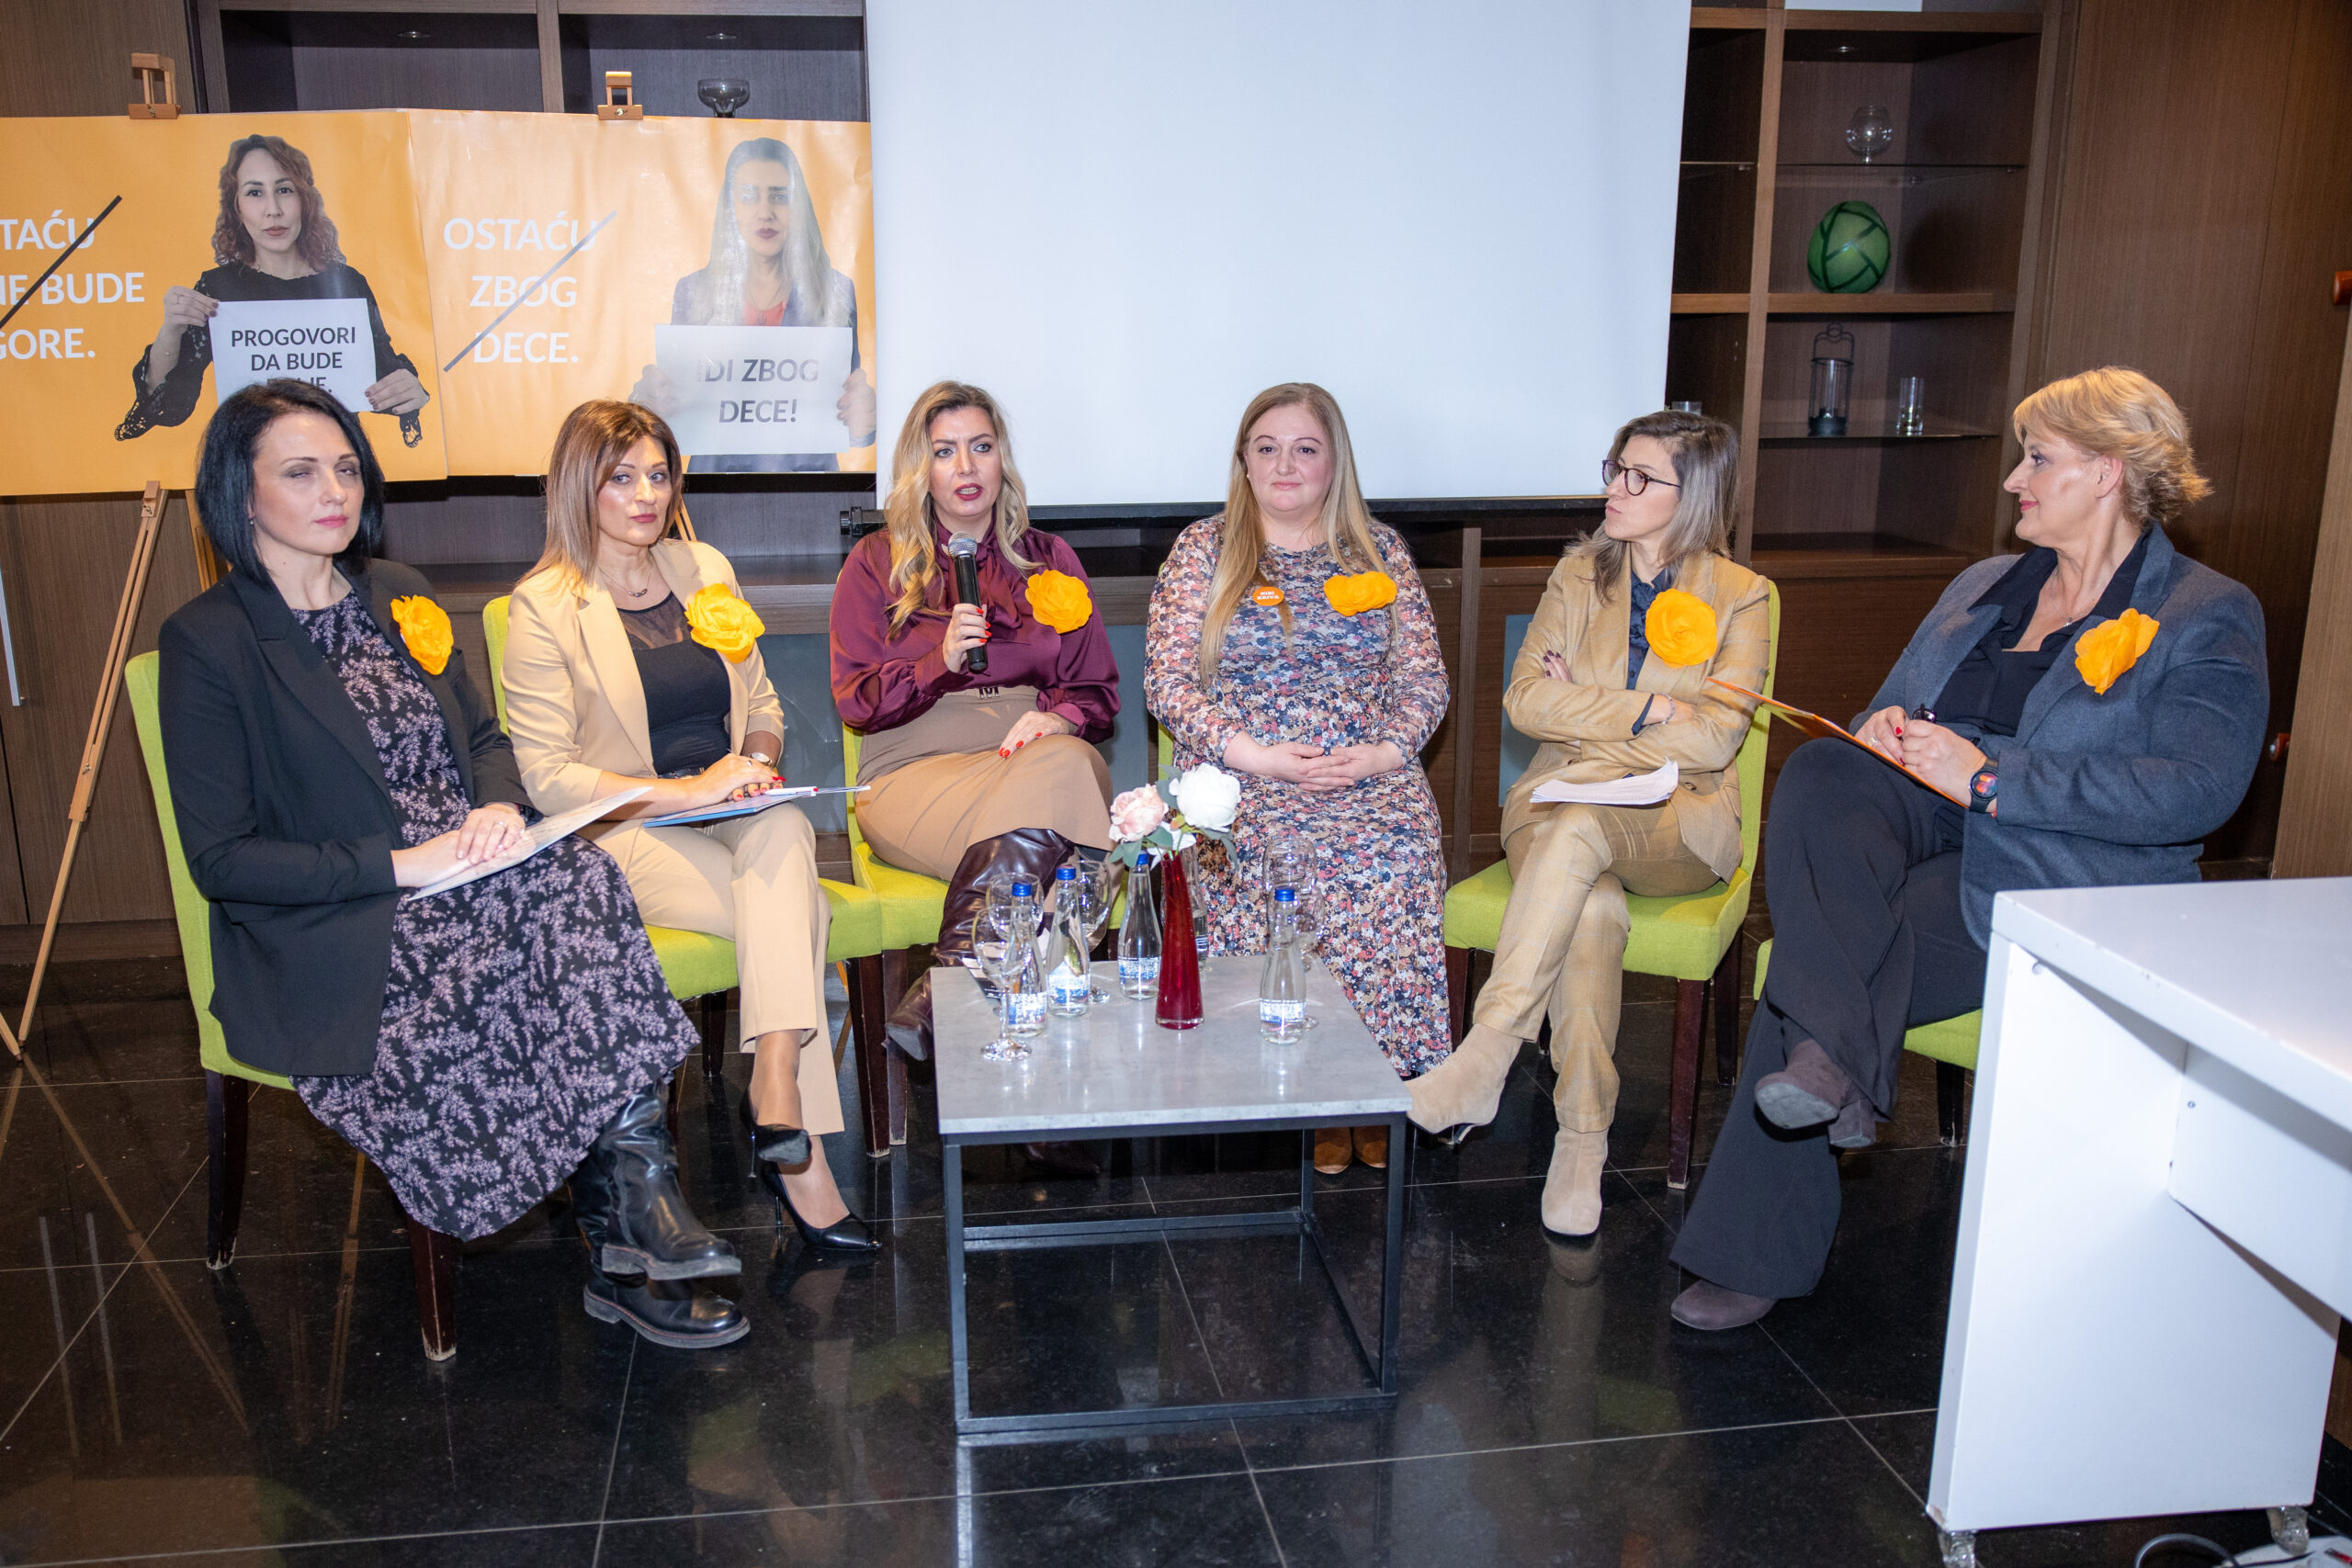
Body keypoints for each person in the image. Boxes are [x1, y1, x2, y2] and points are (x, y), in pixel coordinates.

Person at [1668, 367, 2268, 1330]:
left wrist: (1991, 778)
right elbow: (1891, 705)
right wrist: (1881, 731)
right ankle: (1836, 1067)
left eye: (2037, 459)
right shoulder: (1984, 584)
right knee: (1824, 769)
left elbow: (2196, 789)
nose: (2013, 480)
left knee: (1841, 956)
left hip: (2055, 872)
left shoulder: (2205, 610)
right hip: (1921, 816)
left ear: (2107, 472)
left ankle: (1782, 1176)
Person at [157, 379, 741, 1349]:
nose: (334, 491)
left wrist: (497, 810)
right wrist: (404, 864)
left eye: (346, 468)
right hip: (349, 918)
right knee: (550, 934)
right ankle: (629, 1233)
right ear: (239, 493)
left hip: (474, 868)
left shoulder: (397, 591)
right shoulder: (208, 641)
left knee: (580, 878)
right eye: (300, 473)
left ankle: (637, 1208)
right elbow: (225, 859)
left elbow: (483, 738)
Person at [502, 400, 876, 1254]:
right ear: (579, 485)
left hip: (729, 806)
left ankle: (773, 1084)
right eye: (621, 477)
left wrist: (755, 763)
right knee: (798, 912)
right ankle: (801, 1158)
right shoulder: (544, 605)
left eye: (659, 475)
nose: (646, 495)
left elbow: (764, 705)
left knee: (783, 826)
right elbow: (549, 778)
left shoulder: (703, 566)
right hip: (620, 830)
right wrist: (687, 791)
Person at [1405, 411, 1770, 1235]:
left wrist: (1589, 715)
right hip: (1560, 799)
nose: (1615, 487)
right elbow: (1526, 700)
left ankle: (1487, 1053)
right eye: (1615, 467)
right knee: (1592, 902)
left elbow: (1717, 739)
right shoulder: (1578, 574)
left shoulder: (1741, 596)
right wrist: (1651, 708)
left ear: (1692, 495)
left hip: (1678, 821)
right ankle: (1581, 1138)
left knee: (1581, 825)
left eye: (1640, 476)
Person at [1145, 382, 1451, 1176]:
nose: (1285, 465)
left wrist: (1384, 753)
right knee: (1290, 861)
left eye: (1305, 449)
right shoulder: (1204, 549)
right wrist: (1253, 753)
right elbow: (1167, 684)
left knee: (1394, 857)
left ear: (1333, 463)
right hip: (1245, 771)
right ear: (1244, 462)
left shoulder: (1379, 550)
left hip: (1365, 768)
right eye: (1268, 448)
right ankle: (1305, 1087)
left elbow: (1425, 681)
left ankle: (1381, 1084)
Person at [830, 381, 1118, 1171]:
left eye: (981, 447)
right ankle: (1039, 1094)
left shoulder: (1051, 561)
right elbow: (856, 701)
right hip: (912, 773)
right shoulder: (875, 564)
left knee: (1064, 766)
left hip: (1032, 762)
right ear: (919, 467)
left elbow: (1097, 690)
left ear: (1002, 460)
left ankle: (955, 984)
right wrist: (939, 660)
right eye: (945, 450)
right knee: (1079, 846)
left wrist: (1059, 717)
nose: (966, 468)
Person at [119, 134, 429, 446]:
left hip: (331, 456)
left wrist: (410, 390)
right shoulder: (218, 288)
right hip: (250, 459)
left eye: (284, 190)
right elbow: (169, 406)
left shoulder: (346, 283)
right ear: (236, 207)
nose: (273, 209)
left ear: (305, 200)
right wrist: (171, 330)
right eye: (255, 192)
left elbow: (383, 375)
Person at [628, 136, 877, 471]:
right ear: (730, 208)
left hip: (809, 486)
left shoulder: (835, 291)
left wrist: (866, 417)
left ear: (799, 207)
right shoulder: (694, 292)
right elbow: (673, 422)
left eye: (780, 196)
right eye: (748, 197)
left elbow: (853, 427)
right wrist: (645, 411)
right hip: (713, 487)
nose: (765, 213)